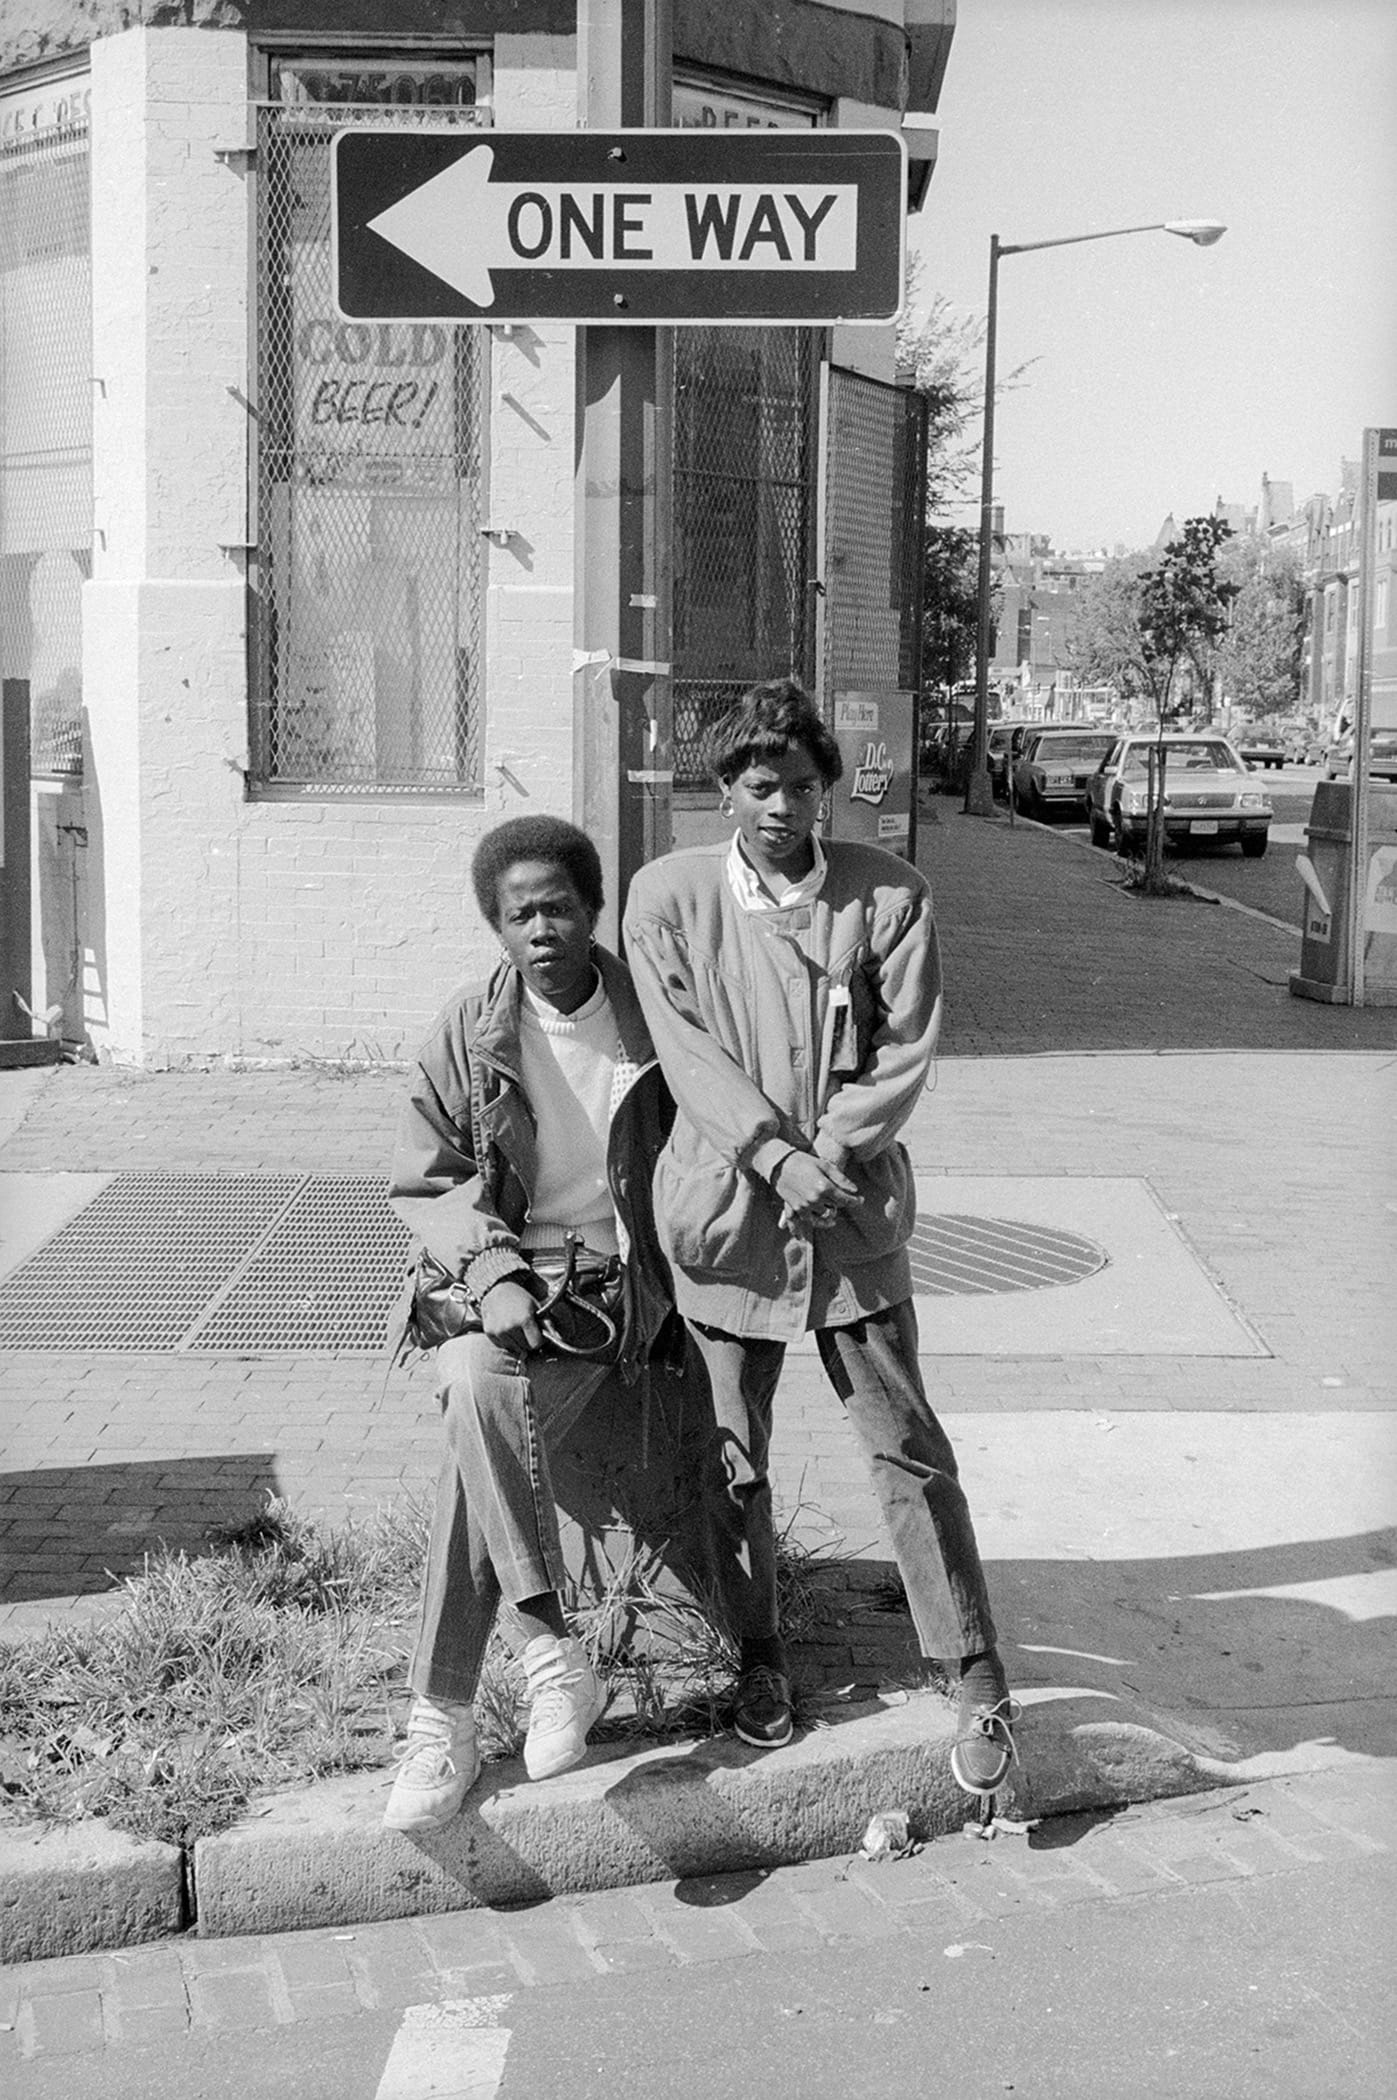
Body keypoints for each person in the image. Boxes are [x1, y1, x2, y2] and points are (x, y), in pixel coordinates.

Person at [623, 680, 1016, 1796]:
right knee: (729, 1453)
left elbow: (904, 1048)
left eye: (801, 787)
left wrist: (828, 1157)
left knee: (906, 1442)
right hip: (724, 1211)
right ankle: (757, 1656)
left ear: (825, 790)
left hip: (849, 1214)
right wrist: (774, 1158)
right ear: (723, 790)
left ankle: (973, 1671)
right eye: (760, 787)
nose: (782, 808)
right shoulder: (666, 898)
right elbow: (686, 1054)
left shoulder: (887, 893)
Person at [383, 815, 675, 1832]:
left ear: (593, 910)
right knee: (473, 1381)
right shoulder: (469, 1031)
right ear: (496, 929)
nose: (541, 929)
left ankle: (442, 1719)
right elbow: (428, 1181)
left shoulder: (653, 1021)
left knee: (476, 1421)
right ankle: (550, 1654)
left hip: (612, 1291)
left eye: (557, 907)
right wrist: (493, 1270)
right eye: (519, 916)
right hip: (505, 1284)